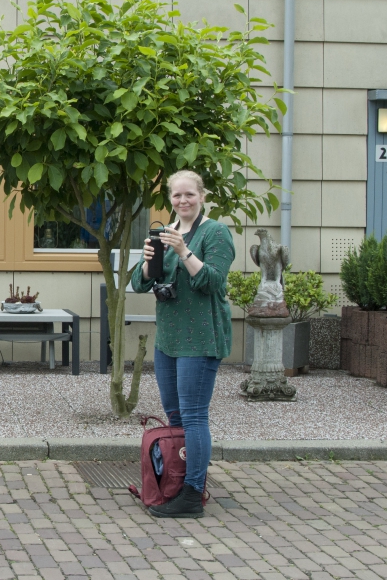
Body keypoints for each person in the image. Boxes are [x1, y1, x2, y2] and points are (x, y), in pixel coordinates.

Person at [131, 169, 236, 518]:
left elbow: (213, 282)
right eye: (176, 195)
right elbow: (140, 283)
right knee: (175, 416)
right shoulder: (166, 233)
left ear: (202, 196)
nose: (182, 201)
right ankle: (176, 483)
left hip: (201, 338)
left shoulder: (215, 233)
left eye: (189, 194)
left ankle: (192, 494)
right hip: (169, 338)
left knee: (193, 417)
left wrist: (184, 250)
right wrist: (149, 263)